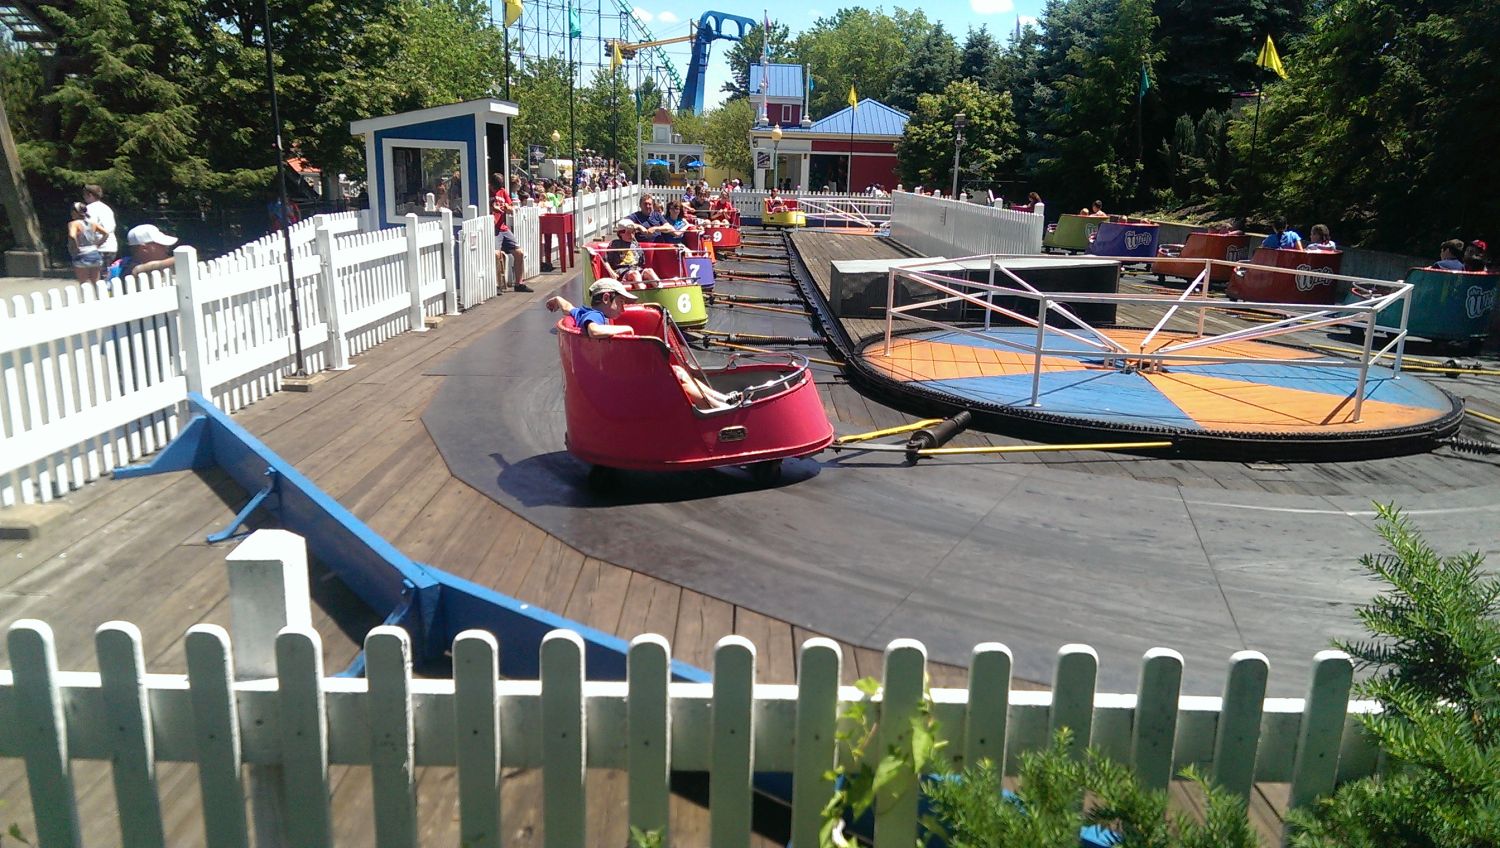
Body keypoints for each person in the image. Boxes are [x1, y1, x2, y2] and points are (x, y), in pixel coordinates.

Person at [546, 280, 742, 410]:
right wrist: (626, 330)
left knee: (679, 372)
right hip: (617, 379)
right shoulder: (596, 316)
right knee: (677, 377)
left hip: (612, 372)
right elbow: (594, 331)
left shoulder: (582, 311)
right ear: (606, 298)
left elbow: (568, 308)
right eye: (621, 302)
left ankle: (722, 400)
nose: (623, 309)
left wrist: (558, 300)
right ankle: (720, 408)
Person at [106, 223, 180, 290]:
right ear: (144, 248)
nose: (166, 247)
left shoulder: (127, 262)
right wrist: (184, 258)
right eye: (161, 244)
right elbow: (142, 269)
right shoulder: (127, 267)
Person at [491, 188, 531, 291]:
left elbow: (511, 208)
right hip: (492, 228)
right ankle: (498, 285)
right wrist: (492, 208)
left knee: (519, 253)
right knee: (497, 254)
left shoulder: (503, 191)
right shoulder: (486, 191)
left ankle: (519, 284)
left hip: (502, 228)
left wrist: (506, 207)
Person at [66, 201, 105, 283]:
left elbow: (72, 235)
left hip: (82, 254)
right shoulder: (92, 223)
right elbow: (106, 233)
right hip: (95, 254)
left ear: (75, 212)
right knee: (96, 283)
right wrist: (98, 244)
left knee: (84, 283)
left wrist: (76, 247)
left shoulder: (74, 224)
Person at [82, 184, 118, 268]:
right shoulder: (107, 208)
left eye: (84, 195)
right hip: (111, 246)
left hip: (99, 247)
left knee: (97, 278)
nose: (83, 197)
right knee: (107, 276)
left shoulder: (89, 209)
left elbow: (89, 228)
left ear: (90, 195)